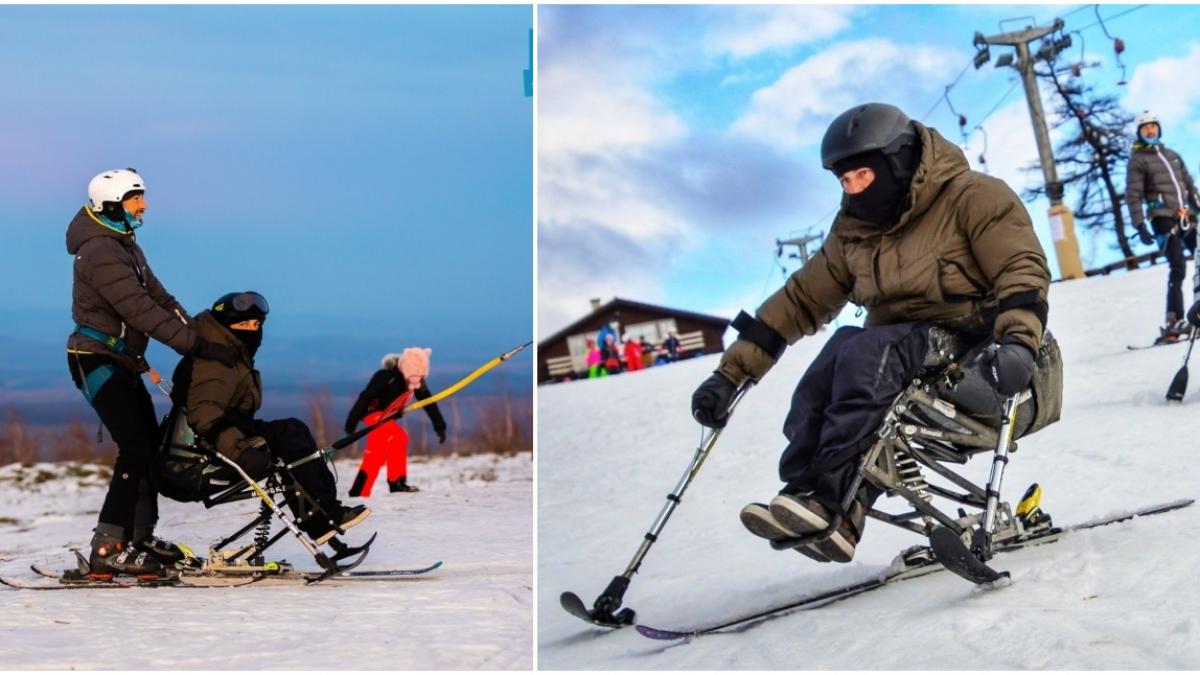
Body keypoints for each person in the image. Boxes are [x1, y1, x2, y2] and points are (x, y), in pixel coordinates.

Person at [691, 103, 1051, 563]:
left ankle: (828, 496)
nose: (853, 189)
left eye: (862, 175)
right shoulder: (854, 232)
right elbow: (801, 300)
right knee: (835, 357)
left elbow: (1020, 268)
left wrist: (1019, 341)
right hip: (900, 360)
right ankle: (819, 502)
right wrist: (730, 375)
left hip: (984, 358)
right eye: (843, 180)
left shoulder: (973, 197)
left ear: (898, 162)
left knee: (866, 353)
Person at [67, 168, 239, 576]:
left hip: (121, 360)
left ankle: (139, 540)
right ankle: (108, 548)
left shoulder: (125, 245)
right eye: (135, 199)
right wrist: (194, 346)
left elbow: (160, 298)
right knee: (136, 447)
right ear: (112, 204)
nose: (143, 206)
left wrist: (201, 336)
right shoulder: (100, 250)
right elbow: (139, 311)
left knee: (148, 447)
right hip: (96, 360)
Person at [174, 291, 370, 543]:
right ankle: (326, 516)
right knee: (288, 437)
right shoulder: (216, 360)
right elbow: (205, 415)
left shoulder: (229, 352)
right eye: (244, 324)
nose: (253, 330)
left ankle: (323, 519)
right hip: (206, 458)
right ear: (225, 325)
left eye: (257, 324)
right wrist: (242, 453)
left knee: (293, 432)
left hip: (224, 440)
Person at [1125, 110, 1200, 341]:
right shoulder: (1138, 161)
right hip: (1162, 219)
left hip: (1185, 215)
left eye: (1153, 126)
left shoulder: (1172, 155)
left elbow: (1189, 187)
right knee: (1178, 266)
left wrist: (1197, 207)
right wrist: (1140, 224)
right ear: (1139, 132)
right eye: (1145, 127)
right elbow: (1133, 194)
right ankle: (1174, 319)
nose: (1150, 130)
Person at [345, 348, 447, 495]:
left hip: (386, 419)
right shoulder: (385, 376)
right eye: (414, 375)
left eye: (420, 376)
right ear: (406, 368)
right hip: (373, 415)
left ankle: (359, 491)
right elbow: (365, 397)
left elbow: (429, 403)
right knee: (398, 437)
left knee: (376, 454)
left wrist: (440, 426)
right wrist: (351, 422)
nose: (417, 379)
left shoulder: (415, 383)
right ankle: (396, 482)